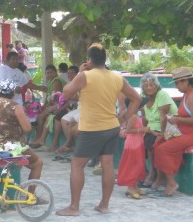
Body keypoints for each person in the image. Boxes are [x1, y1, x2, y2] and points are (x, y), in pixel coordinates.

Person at [56, 43, 141, 217]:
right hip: (111, 127)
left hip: (91, 129)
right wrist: (123, 119)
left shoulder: (84, 76)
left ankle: (74, 207)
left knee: (77, 164)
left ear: (89, 60)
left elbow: (66, 93)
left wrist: (79, 72)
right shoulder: (117, 77)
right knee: (108, 164)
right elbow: (136, 99)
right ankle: (104, 205)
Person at [152, 67, 193, 197]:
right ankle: (161, 177)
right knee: (157, 144)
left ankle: (172, 182)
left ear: (185, 81)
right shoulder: (187, 95)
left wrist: (176, 120)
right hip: (183, 132)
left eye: (177, 83)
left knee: (163, 149)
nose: (176, 86)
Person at [0, 79, 44, 181]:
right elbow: (27, 128)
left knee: (20, 164)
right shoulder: (15, 106)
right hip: (13, 147)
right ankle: (30, 195)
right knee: (38, 163)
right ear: (13, 93)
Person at [138, 72, 178, 187]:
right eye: (146, 85)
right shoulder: (144, 98)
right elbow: (145, 117)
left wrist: (161, 134)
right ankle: (146, 172)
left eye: (151, 85)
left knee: (151, 141)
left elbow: (163, 117)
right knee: (137, 140)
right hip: (153, 128)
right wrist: (144, 130)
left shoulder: (162, 95)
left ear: (156, 85)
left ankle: (153, 173)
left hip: (170, 128)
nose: (149, 87)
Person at [29, 64, 65, 149]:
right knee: (39, 115)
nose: (49, 75)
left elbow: (54, 98)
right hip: (52, 105)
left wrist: (45, 108)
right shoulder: (50, 82)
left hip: (59, 105)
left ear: (55, 72)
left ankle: (39, 138)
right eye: (47, 73)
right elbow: (48, 97)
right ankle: (39, 138)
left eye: (51, 72)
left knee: (41, 116)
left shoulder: (57, 81)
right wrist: (43, 106)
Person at [117, 111, 151, 199]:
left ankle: (135, 186)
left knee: (138, 165)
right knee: (133, 165)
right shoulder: (133, 116)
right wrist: (142, 130)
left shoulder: (137, 116)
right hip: (133, 144)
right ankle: (130, 187)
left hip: (137, 142)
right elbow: (128, 130)